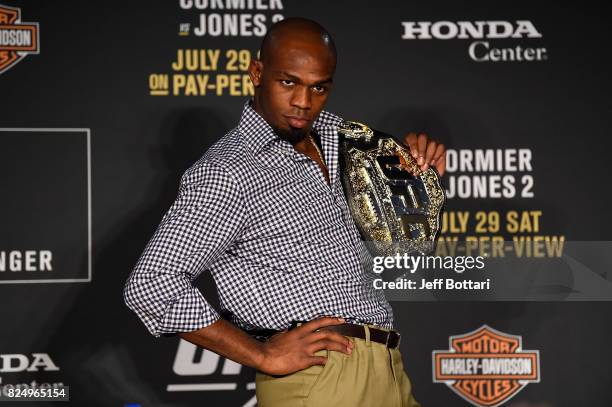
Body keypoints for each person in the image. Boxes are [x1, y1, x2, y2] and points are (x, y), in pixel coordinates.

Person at [124, 17, 445, 407]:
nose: (303, 102)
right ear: (257, 73)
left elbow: (403, 250)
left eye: (319, 87)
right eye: (288, 82)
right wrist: (261, 354)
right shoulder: (228, 171)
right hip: (318, 380)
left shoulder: (340, 137)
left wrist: (415, 181)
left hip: (387, 369)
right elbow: (151, 283)